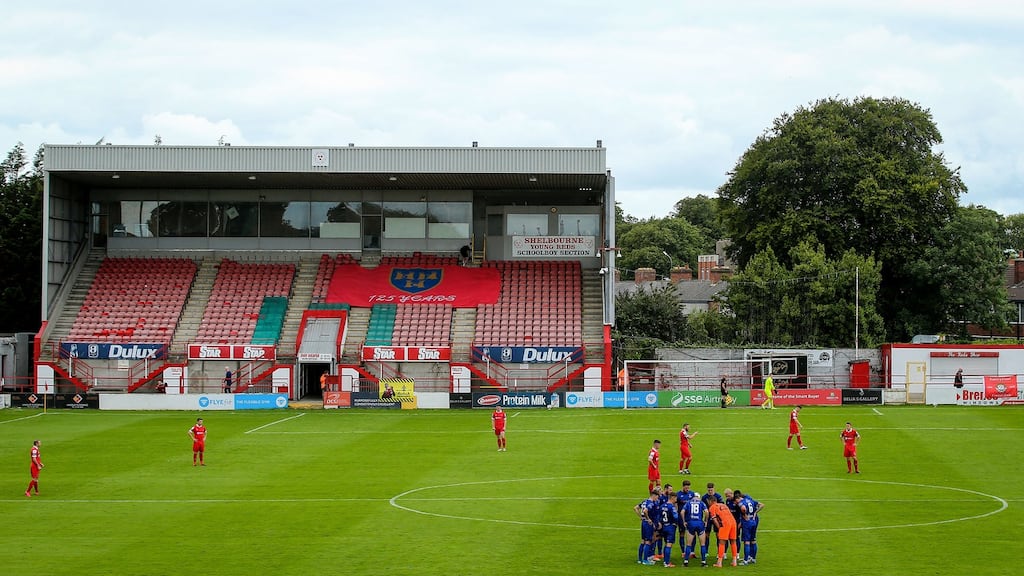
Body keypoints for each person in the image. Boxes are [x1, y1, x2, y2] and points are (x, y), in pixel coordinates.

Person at [681, 487, 709, 567]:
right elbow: (707, 512)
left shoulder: (688, 502)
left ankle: (686, 561)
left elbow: (682, 512)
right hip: (700, 523)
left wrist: (684, 521)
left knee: (689, 544)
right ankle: (703, 562)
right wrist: (706, 521)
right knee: (702, 544)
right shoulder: (701, 503)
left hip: (690, 523)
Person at [734, 490, 764, 565]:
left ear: (737, 498)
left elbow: (743, 508)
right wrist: (755, 513)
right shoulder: (750, 500)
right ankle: (753, 558)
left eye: (736, 501)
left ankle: (745, 560)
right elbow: (762, 505)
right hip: (753, 521)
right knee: (753, 540)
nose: (736, 503)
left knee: (746, 542)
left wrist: (744, 515)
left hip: (747, 523)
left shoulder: (741, 503)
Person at [709, 500, 739, 567]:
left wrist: (719, 528)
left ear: (710, 501)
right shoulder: (724, 505)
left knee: (722, 542)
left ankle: (719, 563)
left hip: (725, 523)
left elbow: (714, 519)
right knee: (733, 542)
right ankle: (734, 561)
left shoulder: (712, 507)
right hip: (733, 523)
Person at [634, 490, 660, 565]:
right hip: (648, 524)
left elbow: (635, 508)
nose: (657, 499)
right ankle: (645, 560)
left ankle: (639, 559)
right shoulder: (650, 503)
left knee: (642, 541)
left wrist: (641, 517)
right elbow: (645, 511)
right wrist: (648, 519)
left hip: (643, 523)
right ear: (653, 495)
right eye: (657, 497)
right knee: (648, 541)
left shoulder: (644, 501)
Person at [658, 491, 681, 567]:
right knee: (669, 544)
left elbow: (659, 517)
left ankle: (665, 561)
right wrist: (677, 523)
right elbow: (676, 517)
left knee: (666, 544)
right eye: (676, 498)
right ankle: (667, 563)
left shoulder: (662, 506)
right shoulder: (672, 507)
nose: (676, 500)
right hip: (670, 527)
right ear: (673, 498)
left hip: (663, 526)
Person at [701, 482, 724, 553]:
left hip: (716, 518)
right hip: (708, 518)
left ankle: (719, 552)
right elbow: (702, 508)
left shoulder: (718, 496)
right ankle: (706, 552)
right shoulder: (704, 497)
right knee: (707, 534)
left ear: (714, 489)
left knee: (718, 535)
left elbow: (722, 507)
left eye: (711, 490)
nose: (710, 492)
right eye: (709, 490)